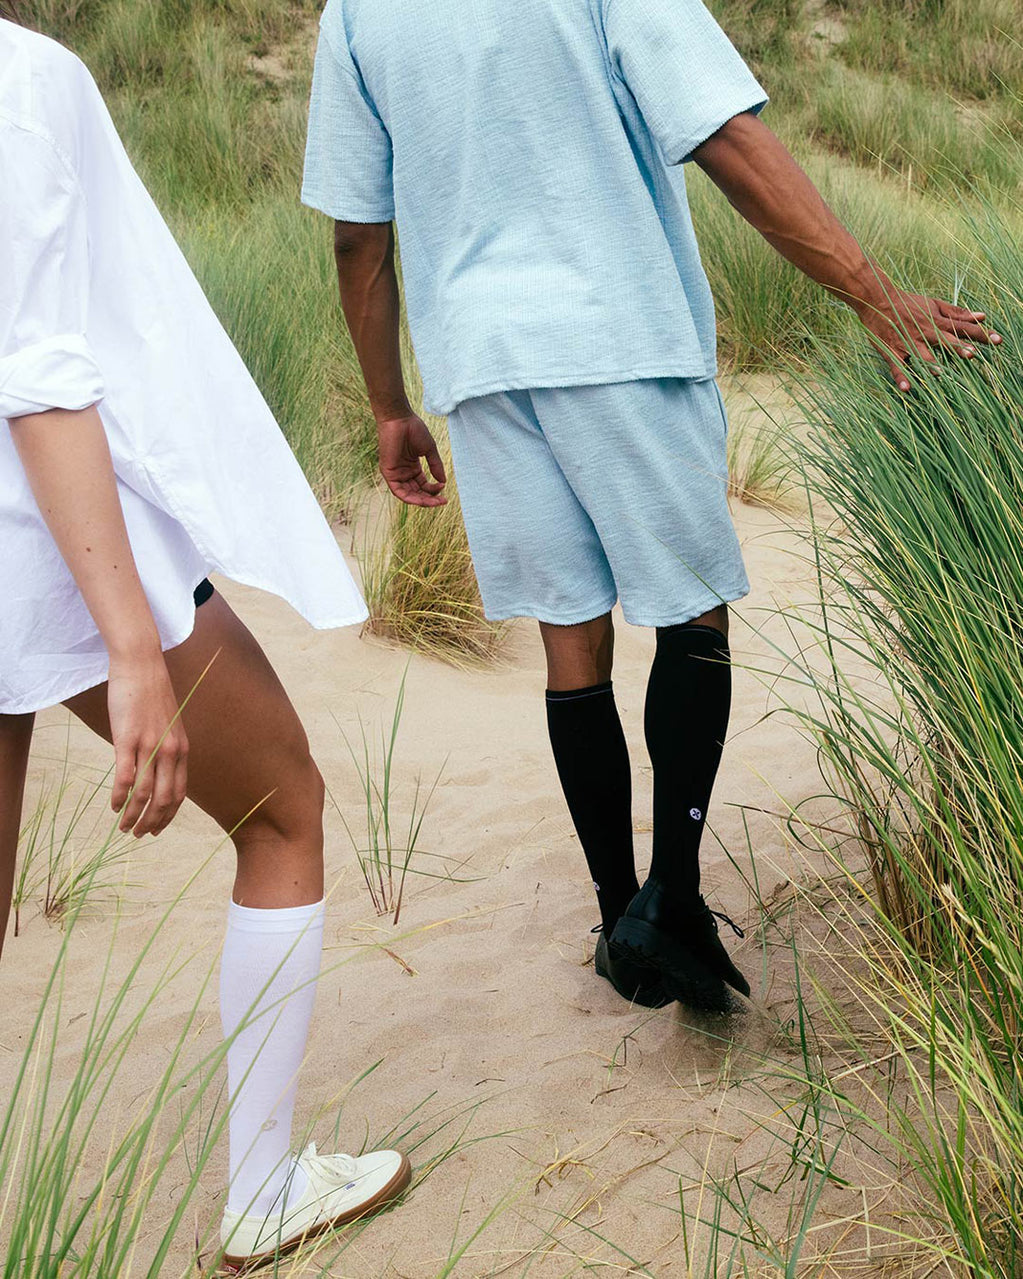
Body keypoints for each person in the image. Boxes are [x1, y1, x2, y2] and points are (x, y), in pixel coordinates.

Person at [301, 0, 1001, 1013]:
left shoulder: (358, 12)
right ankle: (672, 888)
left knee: (570, 637)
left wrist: (388, 404)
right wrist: (871, 290)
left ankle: (616, 907)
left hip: (482, 364)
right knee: (691, 606)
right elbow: (724, 132)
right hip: (620, 333)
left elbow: (358, 236)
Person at [0, 12, 412, 1270]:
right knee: (283, 800)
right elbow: (37, 372)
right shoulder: (20, 77)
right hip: (44, 539)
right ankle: (264, 1187)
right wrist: (133, 643)